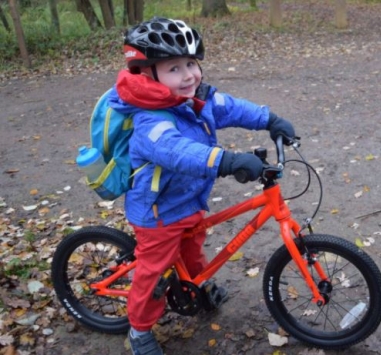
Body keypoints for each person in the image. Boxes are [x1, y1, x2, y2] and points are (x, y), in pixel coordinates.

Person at [107, 17, 296, 355]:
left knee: (194, 253)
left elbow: (230, 107)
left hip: (189, 202)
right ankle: (138, 332)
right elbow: (178, 152)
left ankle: (195, 287)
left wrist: (269, 119)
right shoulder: (149, 120)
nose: (189, 75)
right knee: (152, 275)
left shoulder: (191, 99)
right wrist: (226, 160)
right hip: (158, 213)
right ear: (146, 73)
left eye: (191, 63)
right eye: (174, 68)